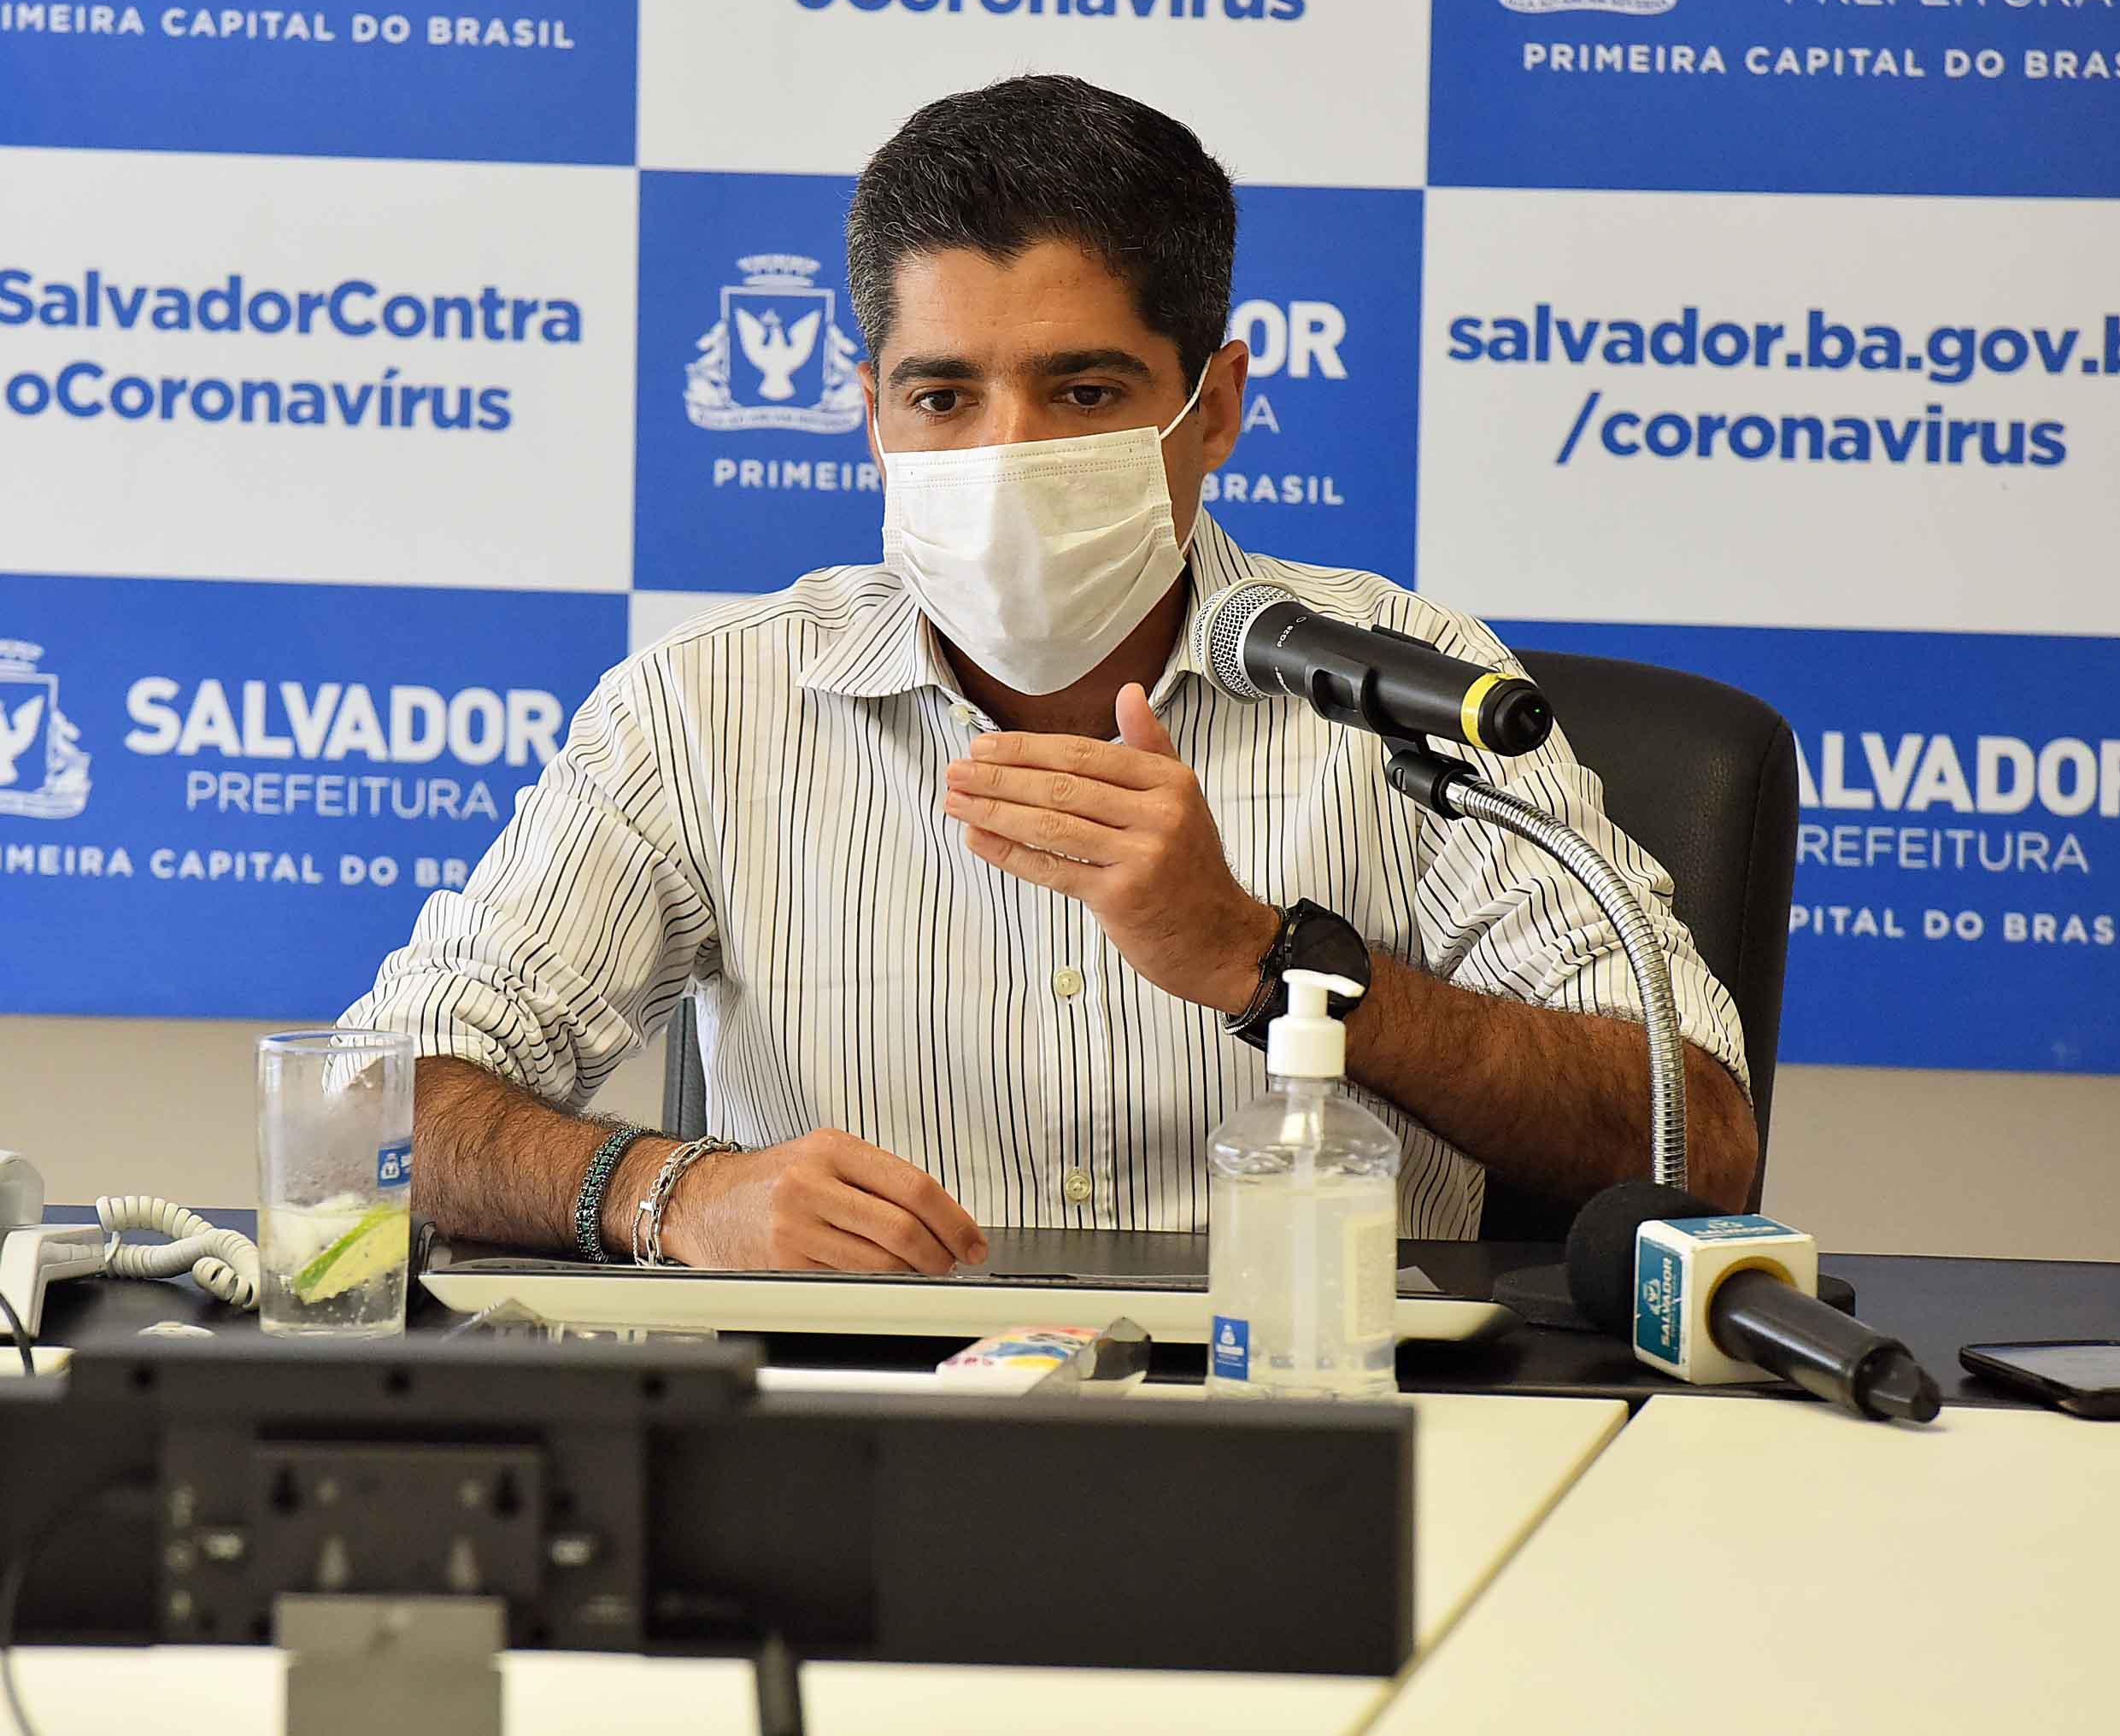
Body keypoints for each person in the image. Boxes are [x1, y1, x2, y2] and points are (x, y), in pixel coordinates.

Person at [343, 73, 1754, 1271]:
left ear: (1217, 412)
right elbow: (366, 1115)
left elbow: (1701, 1143)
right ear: (872, 417)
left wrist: (1264, 959)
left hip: (1328, 1415)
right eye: (942, 395)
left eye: (1083, 394)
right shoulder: (705, 712)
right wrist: (676, 1195)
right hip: (868, 1436)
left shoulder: (1404, 690)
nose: (1003, 455)